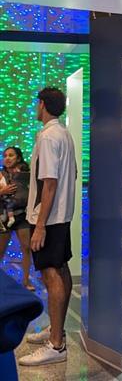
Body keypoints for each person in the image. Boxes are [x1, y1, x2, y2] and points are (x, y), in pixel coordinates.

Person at [19, 87, 77, 367]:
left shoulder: (48, 137)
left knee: (51, 275)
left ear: (42, 104)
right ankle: (57, 331)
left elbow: (50, 183)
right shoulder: (63, 134)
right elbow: (70, 175)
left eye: (37, 103)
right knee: (61, 271)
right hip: (60, 217)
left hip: (48, 219)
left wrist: (40, 225)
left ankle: (56, 345)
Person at [0, 147, 35, 291]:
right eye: (5, 156)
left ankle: (26, 281)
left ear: (18, 158)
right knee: (1, 251)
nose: (7, 158)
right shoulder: (1, 174)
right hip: (3, 217)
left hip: (22, 216)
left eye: (11, 155)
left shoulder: (26, 174)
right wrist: (2, 191)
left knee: (26, 248)